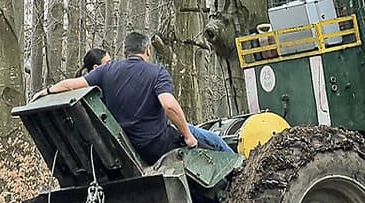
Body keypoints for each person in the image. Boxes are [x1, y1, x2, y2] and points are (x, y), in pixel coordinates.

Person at [32, 32, 233, 164]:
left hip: (125, 146)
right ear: (148, 50)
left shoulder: (106, 71)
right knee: (214, 142)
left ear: (125, 52)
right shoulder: (157, 73)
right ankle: (241, 171)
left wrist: (47, 91)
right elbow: (169, 106)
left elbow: (71, 84)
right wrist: (188, 137)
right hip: (157, 144)